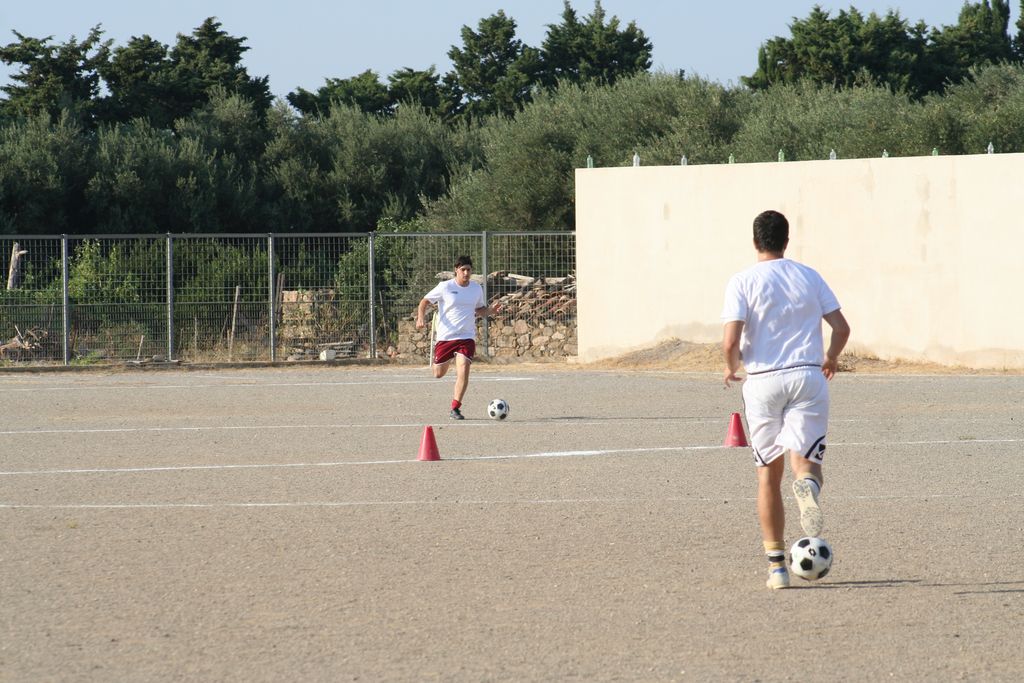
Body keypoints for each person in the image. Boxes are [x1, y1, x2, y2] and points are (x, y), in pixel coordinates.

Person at [721, 210, 851, 590]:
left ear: (755, 241)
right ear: (787, 241)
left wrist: (730, 367)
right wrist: (831, 358)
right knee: (805, 465)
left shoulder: (742, 281)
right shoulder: (808, 276)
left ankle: (777, 568)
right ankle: (807, 487)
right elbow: (841, 328)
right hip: (807, 375)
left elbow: (731, 341)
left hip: (763, 381)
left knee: (767, 475)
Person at [416, 256, 502, 420]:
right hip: (446, 337)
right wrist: (420, 318)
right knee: (438, 374)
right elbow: (424, 301)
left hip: (466, 337)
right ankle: (446, 361)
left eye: (469, 270)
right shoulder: (445, 287)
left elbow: (479, 310)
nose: (466, 273)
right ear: (456, 270)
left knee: (463, 369)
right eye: (463, 270)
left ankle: (455, 408)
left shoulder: (476, 288)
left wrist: (491, 311)